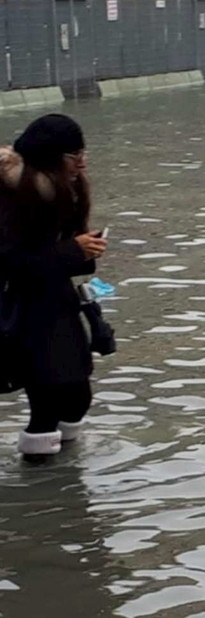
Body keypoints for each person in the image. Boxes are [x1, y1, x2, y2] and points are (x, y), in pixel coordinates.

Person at [0, 114, 105, 456]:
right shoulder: (10, 196)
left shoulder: (68, 189)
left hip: (58, 305)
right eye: (75, 156)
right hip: (21, 312)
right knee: (46, 402)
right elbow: (10, 262)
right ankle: (41, 485)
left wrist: (84, 250)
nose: (82, 164)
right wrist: (70, 250)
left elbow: (59, 253)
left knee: (77, 396)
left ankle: (64, 480)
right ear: (53, 156)